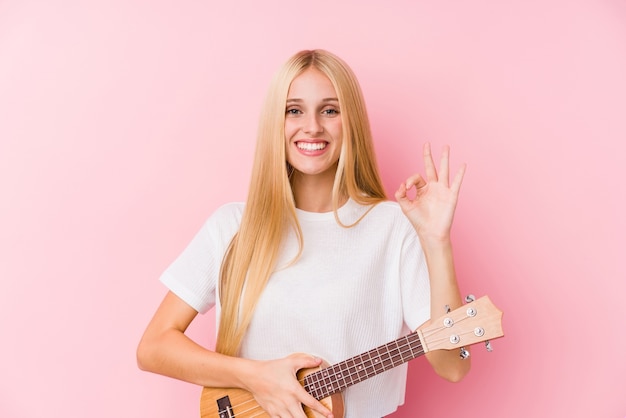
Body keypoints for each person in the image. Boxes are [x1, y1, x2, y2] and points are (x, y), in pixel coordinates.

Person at [137, 49, 470, 418]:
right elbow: (153, 347)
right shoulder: (231, 226)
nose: (312, 126)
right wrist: (256, 377)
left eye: (330, 110)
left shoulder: (393, 228)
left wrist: (437, 241)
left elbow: (452, 365)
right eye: (294, 110)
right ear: (275, 122)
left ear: (352, 121)